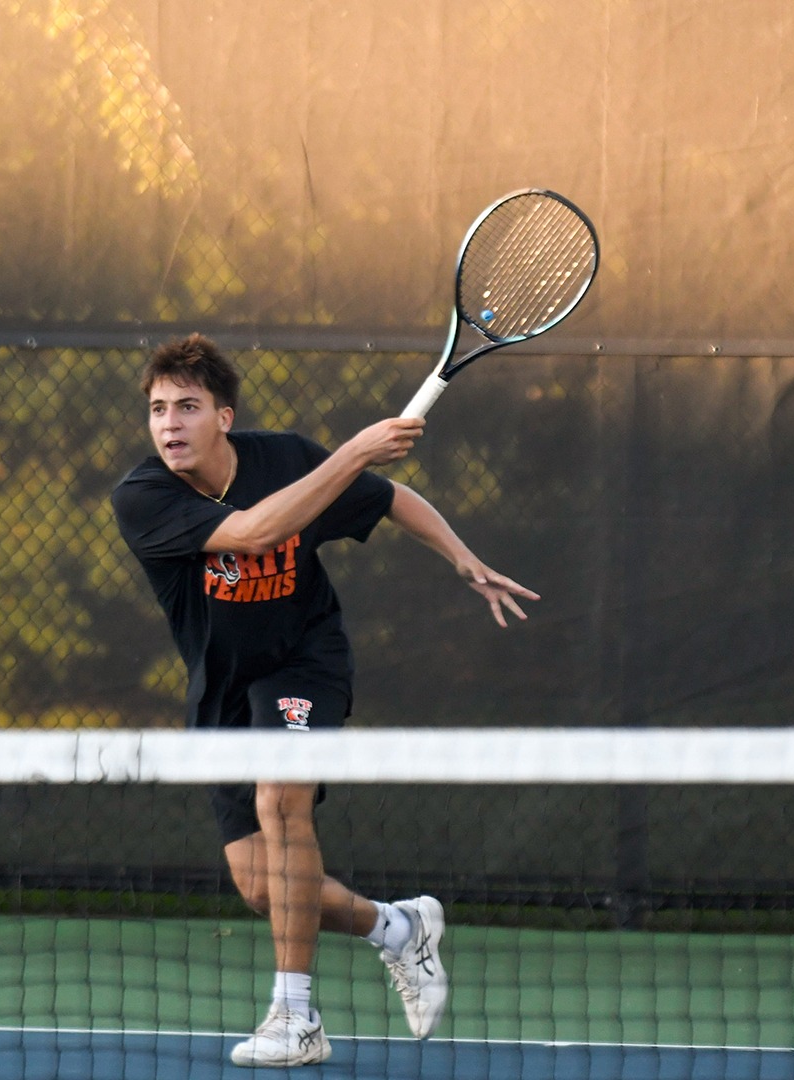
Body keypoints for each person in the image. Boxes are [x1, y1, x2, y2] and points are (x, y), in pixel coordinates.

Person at [110, 334, 538, 1067]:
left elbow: (393, 498)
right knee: (259, 887)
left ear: (224, 416)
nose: (170, 424)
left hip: (305, 664)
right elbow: (253, 532)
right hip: (224, 692)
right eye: (157, 410)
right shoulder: (144, 497)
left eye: (187, 406)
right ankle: (398, 930)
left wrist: (462, 556)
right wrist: (354, 452)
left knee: (283, 801)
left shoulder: (283, 456)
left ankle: (295, 1017)